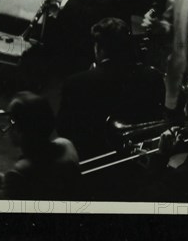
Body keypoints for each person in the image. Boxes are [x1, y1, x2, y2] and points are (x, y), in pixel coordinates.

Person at [56, 17, 165, 159]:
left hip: (92, 163)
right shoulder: (153, 77)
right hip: (140, 162)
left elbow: (64, 130)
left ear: (99, 49)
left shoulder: (76, 83)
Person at [0, 91, 81, 200]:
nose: (8, 127)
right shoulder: (66, 145)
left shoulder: (19, 173)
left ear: (19, 129)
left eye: (11, 121)